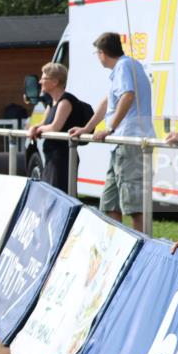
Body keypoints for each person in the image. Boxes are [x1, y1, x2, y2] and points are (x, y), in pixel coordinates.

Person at [68, 31, 154, 233]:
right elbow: (107, 102)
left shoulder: (124, 66)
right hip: (120, 144)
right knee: (110, 203)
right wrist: (88, 128)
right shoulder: (125, 67)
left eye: (97, 53)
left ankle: (142, 244)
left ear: (102, 53)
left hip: (129, 140)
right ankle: (118, 244)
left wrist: (109, 128)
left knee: (134, 206)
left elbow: (127, 96)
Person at [26, 62, 88, 193]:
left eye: (44, 78)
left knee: (60, 196)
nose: (40, 81)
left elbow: (55, 127)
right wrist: (34, 128)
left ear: (55, 82)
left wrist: (38, 130)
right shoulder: (51, 102)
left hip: (62, 159)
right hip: (51, 159)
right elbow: (43, 124)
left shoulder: (66, 101)